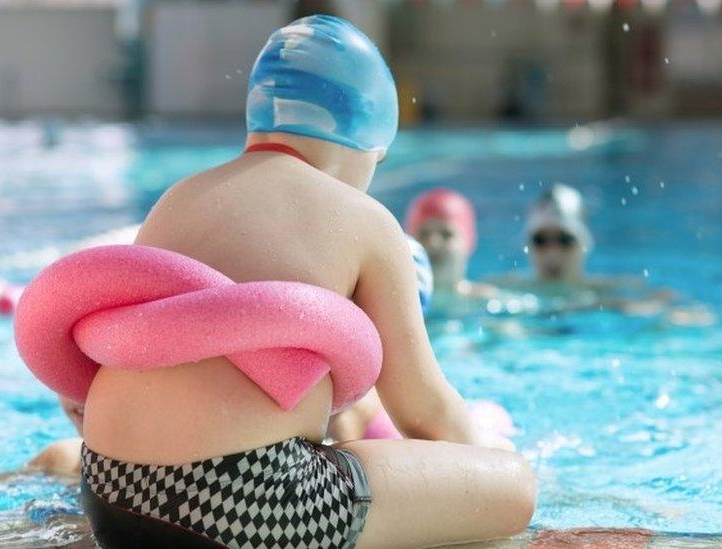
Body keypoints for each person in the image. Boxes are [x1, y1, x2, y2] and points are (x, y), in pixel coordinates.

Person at [75, 16, 534, 548]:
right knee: (513, 489)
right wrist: (481, 468)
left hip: (107, 488)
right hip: (241, 504)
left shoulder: (178, 199)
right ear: (365, 139)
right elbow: (423, 408)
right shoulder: (363, 219)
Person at [491, 183, 714, 325]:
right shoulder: (502, 289)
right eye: (541, 241)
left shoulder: (616, 289)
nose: (552, 252)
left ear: (584, 244)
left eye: (565, 240)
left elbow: (696, 314)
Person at [405, 188, 498, 304]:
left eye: (446, 235)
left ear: (469, 243)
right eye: (423, 234)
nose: (433, 243)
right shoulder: (398, 302)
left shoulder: (486, 301)